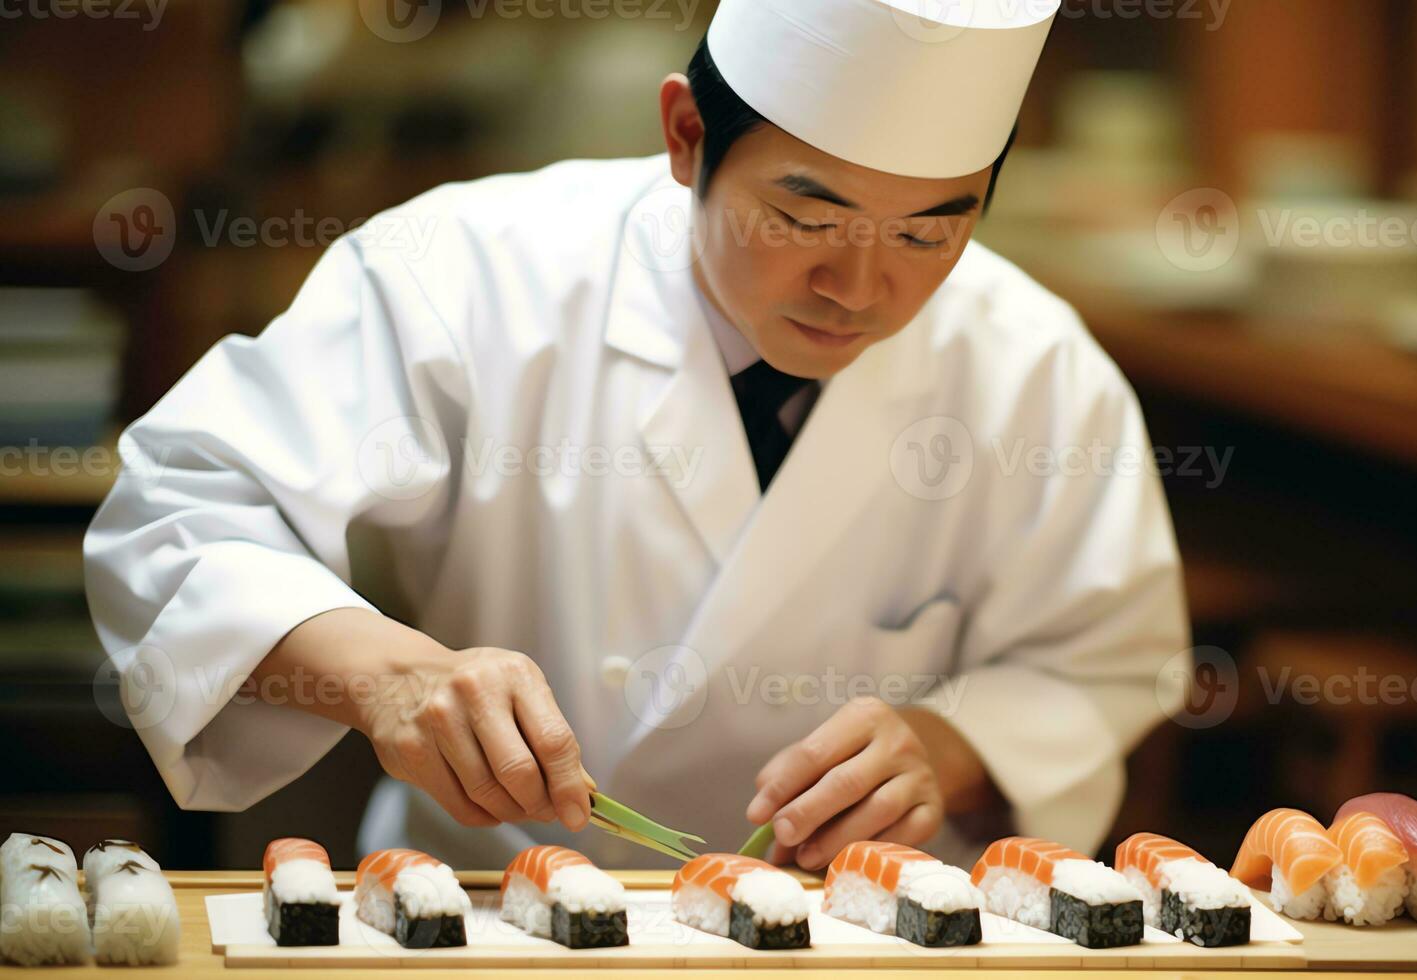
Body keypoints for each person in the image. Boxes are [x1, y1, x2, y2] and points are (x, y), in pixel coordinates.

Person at [84, 0, 1189, 871]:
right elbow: (178, 511)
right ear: (685, 134)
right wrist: (392, 680)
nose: (858, 285)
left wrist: (948, 750)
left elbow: (1103, 657)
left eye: (925, 230)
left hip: (868, 926)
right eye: (804, 217)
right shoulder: (466, 272)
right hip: (487, 911)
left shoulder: (1032, 364)